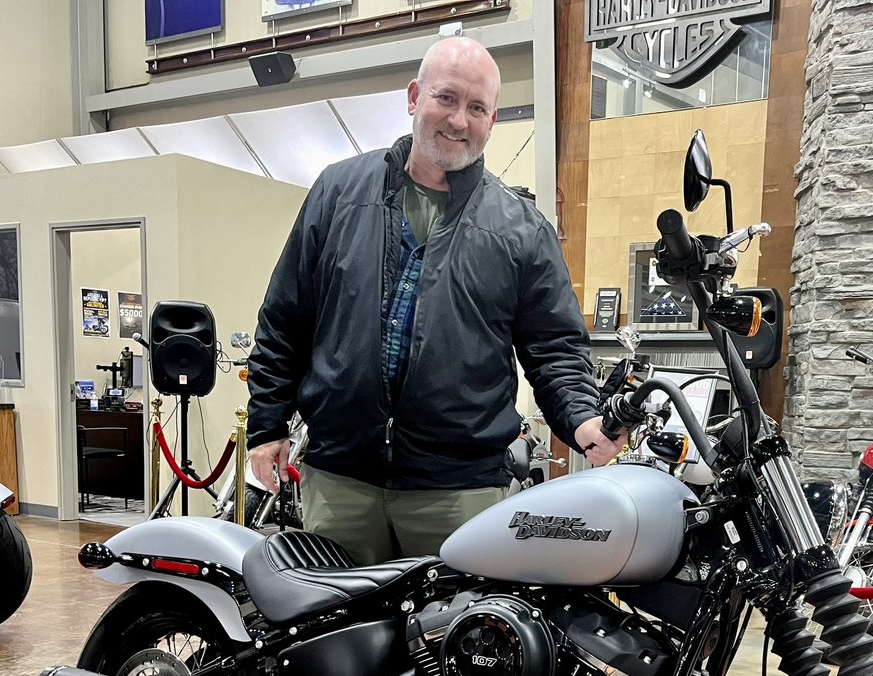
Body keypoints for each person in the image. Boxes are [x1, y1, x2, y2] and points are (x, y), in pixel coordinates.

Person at [246, 35, 622, 566]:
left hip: (460, 493)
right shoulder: (337, 193)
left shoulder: (521, 230)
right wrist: (266, 425)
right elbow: (286, 318)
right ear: (414, 96)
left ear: (492, 121)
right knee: (334, 643)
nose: (458, 120)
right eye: (446, 98)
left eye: (477, 108)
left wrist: (583, 419)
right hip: (339, 484)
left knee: (449, 645)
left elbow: (555, 348)